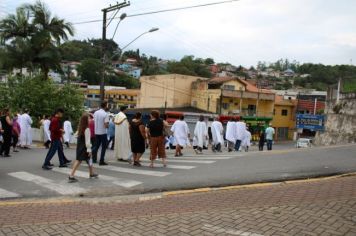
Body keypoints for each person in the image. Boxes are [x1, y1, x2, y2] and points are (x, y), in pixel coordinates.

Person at [68, 113, 98, 183]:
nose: (90, 119)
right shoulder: (87, 129)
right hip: (85, 148)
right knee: (79, 160)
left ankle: (91, 173)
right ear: (86, 120)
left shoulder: (80, 128)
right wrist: (89, 150)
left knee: (88, 160)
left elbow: (75, 135)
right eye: (88, 118)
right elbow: (88, 141)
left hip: (80, 146)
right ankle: (71, 175)